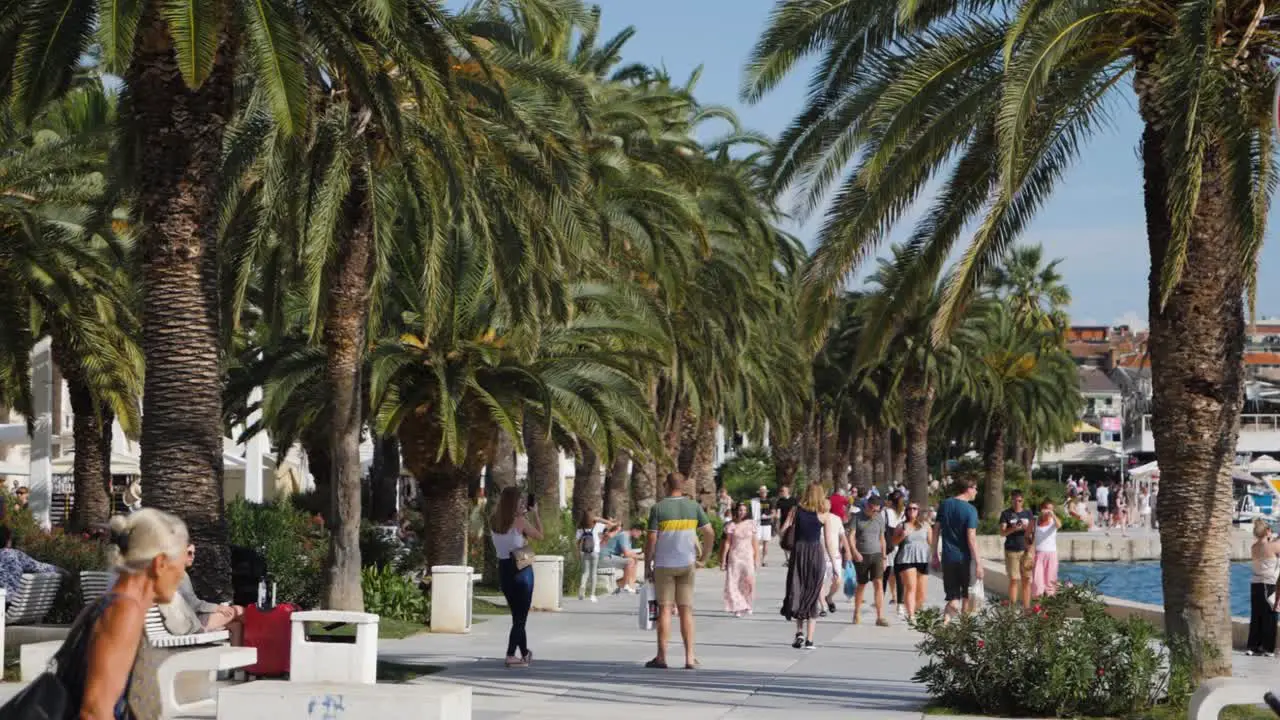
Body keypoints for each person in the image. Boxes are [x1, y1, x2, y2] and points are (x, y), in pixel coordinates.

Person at [78, 509, 190, 719]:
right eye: (181, 565)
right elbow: (95, 711)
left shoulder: (125, 606)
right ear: (160, 564)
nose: (182, 576)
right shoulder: (123, 611)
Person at [644, 472, 714, 669]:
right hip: (687, 564)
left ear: (666, 485)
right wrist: (704, 557)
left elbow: (651, 540)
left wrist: (647, 565)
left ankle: (662, 657)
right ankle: (690, 657)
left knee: (665, 609)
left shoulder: (658, 508)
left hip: (664, 565)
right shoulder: (694, 507)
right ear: (683, 486)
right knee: (686, 610)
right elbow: (709, 532)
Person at [778, 484, 840, 648]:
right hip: (815, 554)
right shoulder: (824, 515)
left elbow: (782, 530)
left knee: (797, 590)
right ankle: (810, 639)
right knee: (812, 594)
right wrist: (834, 565)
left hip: (798, 553)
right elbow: (828, 542)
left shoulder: (795, 510)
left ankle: (799, 632)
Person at [490, 487, 543, 668]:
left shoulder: (494, 521)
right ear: (514, 502)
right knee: (521, 618)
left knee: (517, 617)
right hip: (521, 569)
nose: (522, 503)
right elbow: (540, 535)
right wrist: (535, 514)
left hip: (504, 568)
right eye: (520, 500)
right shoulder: (520, 521)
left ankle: (525, 652)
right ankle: (511, 655)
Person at [159, 544, 245, 644]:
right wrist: (218, 608)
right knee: (237, 611)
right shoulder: (177, 574)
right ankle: (263, 643)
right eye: (189, 553)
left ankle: (241, 657)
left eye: (194, 553)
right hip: (191, 623)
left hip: (191, 618)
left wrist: (217, 608)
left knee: (236, 625)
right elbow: (194, 604)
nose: (193, 556)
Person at [931, 477, 982, 622]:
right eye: (975, 488)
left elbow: (936, 530)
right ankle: (964, 628)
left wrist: (934, 554)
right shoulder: (971, 510)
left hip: (948, 558)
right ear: (969, 489)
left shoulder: (945, 504)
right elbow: (971, 537)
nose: (976, 492)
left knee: (953, 597)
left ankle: (945, 624)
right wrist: (978, 562)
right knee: (965, 596)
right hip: (964, 558)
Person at [849, 494, 889, 626]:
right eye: (873, 509)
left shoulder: (879, 518)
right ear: (867, 505)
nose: (875, 512)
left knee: (878, 583)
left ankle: (880, 616)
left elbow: (882, 538)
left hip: (877, 554)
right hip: (861, 555)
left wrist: (884, 557)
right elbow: (851, 537)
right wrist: (854, 552)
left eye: (878, 509)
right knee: (862, 584)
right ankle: (857, 612)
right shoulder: (857, 517)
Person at [0, 524, 64, 599]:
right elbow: (39, 567)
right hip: (15, 603)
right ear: (8, 540)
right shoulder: (15, 554)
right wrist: (61, 570)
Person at [893, 502, 930, 621]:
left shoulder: (926, 526)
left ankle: (915, 611)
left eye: (914, 509)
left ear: (918, 511)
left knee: (922, 593)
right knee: (911, 587)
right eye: (909, 509)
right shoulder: (901, 526)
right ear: (906, 511)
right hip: (906, 559)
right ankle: (911, 615)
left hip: (923, 559)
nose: (911, 511)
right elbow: (893, 542)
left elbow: (931, 543)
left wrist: (936, 557)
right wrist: (902, 536)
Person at [1248, 518, 1280, 656]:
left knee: (1256, 616)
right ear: (1267, 531)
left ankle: (1253, 646)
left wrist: (1272, 537)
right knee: (1270, 616)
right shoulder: (1272, 546)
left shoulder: (1254, 547)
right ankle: (1268, 648)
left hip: (1256, 584)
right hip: (1269, 584)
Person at [721, 501, 759, 617]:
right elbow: (727, 543)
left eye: (744, 510)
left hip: (748, 555)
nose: (742, 512)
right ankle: (738, 606)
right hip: (735, 556)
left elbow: (755, 542)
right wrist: (723, 560)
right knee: (734, 582)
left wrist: (757, 558)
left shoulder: (751, 524)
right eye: (740, 510)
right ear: (736, 511)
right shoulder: (731, 525)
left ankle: (748, 604)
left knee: (749, 581)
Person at [999, 490, 1034, 610]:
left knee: (1026, 580)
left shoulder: (1028, 513)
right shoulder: (1006, 514)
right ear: (1011, 500)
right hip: (1012, 550)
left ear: (1023, 500)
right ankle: (1012, 610)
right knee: (1014, 579)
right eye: (1015, 500)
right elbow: (1002, 533)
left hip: (1026, 551)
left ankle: (1027, 609)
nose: (1017, 502)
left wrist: (1026, 528)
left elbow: (1033, 532)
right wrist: (1013, 529)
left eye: (1019, 500)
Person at [821, 497, 852, 615]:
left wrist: (848, 551)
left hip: (835, 555)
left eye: (827, 504)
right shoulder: (816, 519)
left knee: (838, 581)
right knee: (820, 582)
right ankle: (823, 606)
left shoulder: (836, 519)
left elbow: (843, 536)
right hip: (820, 555)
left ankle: (829, 597)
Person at [575, 511, 614, 602]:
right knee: (593, 573)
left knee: (585, 572)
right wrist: (599, 519)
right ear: (593, 517)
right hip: (595, 552)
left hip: (585, 552)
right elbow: (610, 525)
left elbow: (576, 542)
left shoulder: (581, 528)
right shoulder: (598, 526)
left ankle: (582, 586)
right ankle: (592, 595)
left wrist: (577, 552)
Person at [882, 491, 906, 619]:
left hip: (887, 546)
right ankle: (900, 605)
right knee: (899, 576)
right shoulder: (904, 513)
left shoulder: (885, 512)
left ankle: (881, 603)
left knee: (884, 575)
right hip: (900, 546)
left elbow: (880, 530)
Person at [1030, 501, 1062, 598]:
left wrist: (1053, 515)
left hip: (1051, 554)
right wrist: (1029, 551)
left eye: (1050, 509)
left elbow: (1059, 525)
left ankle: (1049, 606)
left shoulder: (1054, 521)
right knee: (1037, 581)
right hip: (1039, 554)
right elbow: (1027, 536)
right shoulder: (1035, 521)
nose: (1048, 511)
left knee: (1050, 582)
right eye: (1046, 508)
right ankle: (1037, 606)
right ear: (1041, 509)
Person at [601, 527, 642, 593]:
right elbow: (627, 554)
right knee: (630, 561)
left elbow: (627, 553)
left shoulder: (628, 538)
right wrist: (641, 556)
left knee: (634, 560)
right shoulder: (624, 535)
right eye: (639, 533)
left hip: (611, 557)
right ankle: (626, 586)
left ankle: (630, 584)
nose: (639, 536)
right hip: (606, 557)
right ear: (634, 530)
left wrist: (637, 556)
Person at [751, 486, 774, 566]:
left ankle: (764, 560)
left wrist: (768, 516)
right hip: (757, 524)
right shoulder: (755, 501)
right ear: (759, 493)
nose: (763, 493)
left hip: (767, 524)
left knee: (766, 543)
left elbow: (773, 513)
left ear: (766, 493)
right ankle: (756, 558)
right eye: (762, 491)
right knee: (756, 542)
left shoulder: (770, 502)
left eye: (764, 491)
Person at [775, 485, 797, 563]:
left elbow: (796, 511)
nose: (781, 492)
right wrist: (777, 522)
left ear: (788, 491)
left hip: (792, 523)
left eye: (783, 491)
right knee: (783, 541)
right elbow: (778, 512)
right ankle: (787, 559)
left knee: (790, 540)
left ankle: (791, 557)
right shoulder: (779, 501)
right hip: (782, 523)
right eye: (781, 491)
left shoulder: (794, 500)